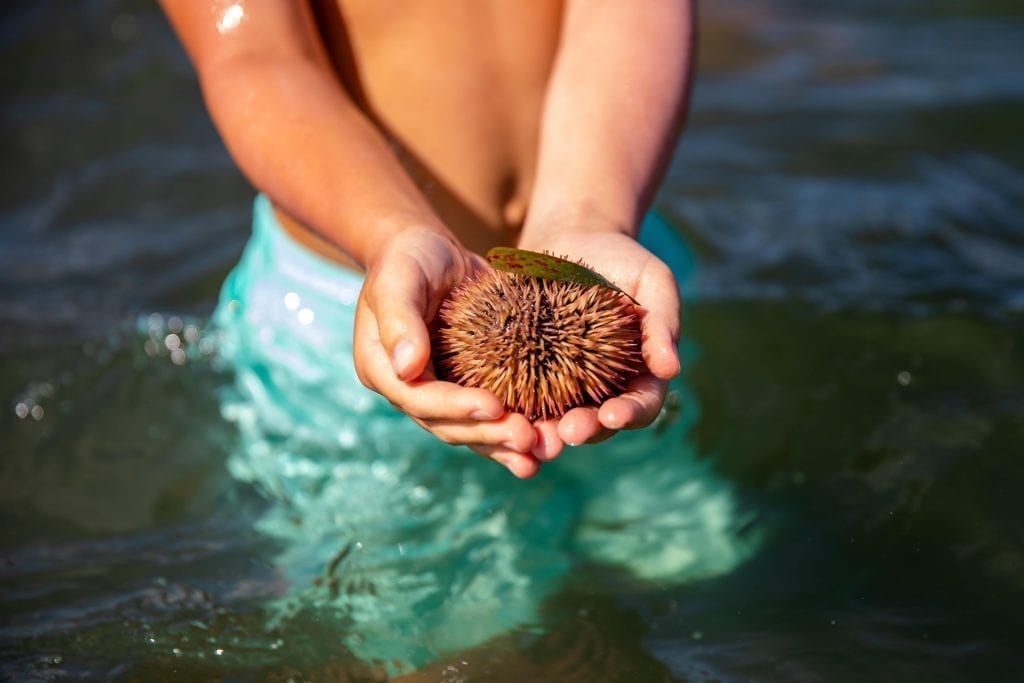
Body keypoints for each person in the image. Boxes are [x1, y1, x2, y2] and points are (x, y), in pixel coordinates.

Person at [162, 0, 756, 673]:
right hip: (359, 306)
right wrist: (391, 235)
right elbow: (256, 54)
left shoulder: (601, 252)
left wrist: (590, 211)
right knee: (424, 646)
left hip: (603, 272)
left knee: (690, 577)